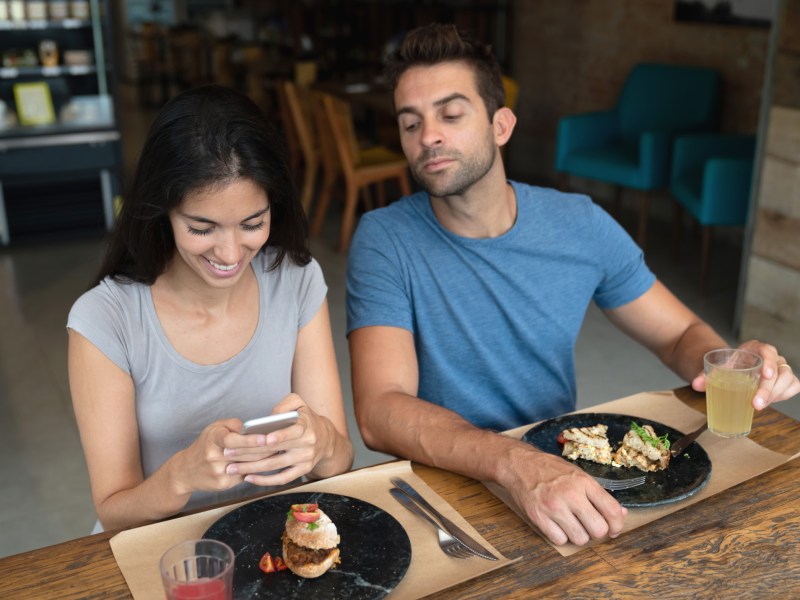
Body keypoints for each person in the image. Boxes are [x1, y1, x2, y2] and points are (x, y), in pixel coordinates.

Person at [346, 23, 800, 547]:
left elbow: (679, 336)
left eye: (451, 114)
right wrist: (514, 462)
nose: (429, 137)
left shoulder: (579, 224)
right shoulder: (384, 239)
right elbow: (381, 409)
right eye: (410, 123)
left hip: (564, 473)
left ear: (501, 125)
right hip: (448, 483)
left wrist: (733, 367)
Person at [68, 85, 353, 532]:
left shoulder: (295, 280)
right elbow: (113, 510)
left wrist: (321, 445)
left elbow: (339, 461)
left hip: (273, 541)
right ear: (162, 209)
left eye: (253, 224)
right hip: (165, 553)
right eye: (202, 228)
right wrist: (180, 475)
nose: (231, 252)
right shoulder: (106, 319)